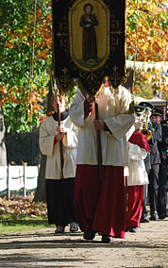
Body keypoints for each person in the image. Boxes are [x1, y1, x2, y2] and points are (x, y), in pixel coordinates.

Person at [69, 83, 135, 243]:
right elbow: (74, 114)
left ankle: (108, 228)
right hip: (89, 146)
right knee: (86, 189)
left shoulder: (121, 92)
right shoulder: (83, 90)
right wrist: (87, 104)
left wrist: (107, 125)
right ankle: (89, 226)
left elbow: (129, 117)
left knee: (109, 192)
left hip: (111, 147)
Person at [39, 94, 79, 234]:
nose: (58, 103)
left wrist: (67, 133)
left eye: (61, 101)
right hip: (54, 161)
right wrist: (55, 138)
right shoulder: (47, 123)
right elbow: (42, 143)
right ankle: (59, 222)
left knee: (71, 191)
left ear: (65, 103)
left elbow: (78, 138)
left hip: (70, 160)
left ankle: (74, 220)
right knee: (56, 193)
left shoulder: (73, 121)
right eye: (56, 101)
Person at [124, 106, 150, 233]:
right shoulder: (119, 135)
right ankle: (123, 222)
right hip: (122, 170)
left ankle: (133, 222)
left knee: (134, 199)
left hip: (135, 170)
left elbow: (143, 153)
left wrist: (129, 147)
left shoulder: (138, 136)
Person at [146, 107, 163, 221]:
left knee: (154, 186)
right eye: (152, 117)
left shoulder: (157, 127)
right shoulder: (144, 125)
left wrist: (150, 129)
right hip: (145, 157)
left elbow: (158, 138)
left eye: (155, 118)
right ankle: (142, 212)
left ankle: (154, 210)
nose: (153, 119)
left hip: (155, 160)